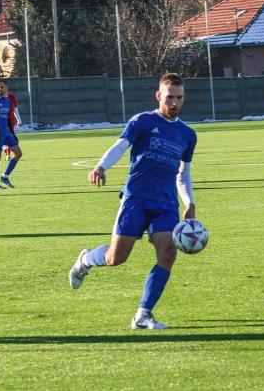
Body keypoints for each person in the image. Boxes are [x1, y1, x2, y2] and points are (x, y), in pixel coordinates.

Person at [68, 73, 198, 330]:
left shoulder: (187, 134)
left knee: (168, 253)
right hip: (136, 199)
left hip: (166, 204)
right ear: (159, 95)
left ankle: (143, 314)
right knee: (116, 258)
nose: (174, 102)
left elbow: (184, 173)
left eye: (179, 98)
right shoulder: (143, 121)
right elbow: (120, 145)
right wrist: (101, 166)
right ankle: (85, 261)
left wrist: (189, 203)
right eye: (170, 96)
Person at [0, 79, 22, 190]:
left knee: (18, 153)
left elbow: (6, 119)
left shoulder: (7, 101)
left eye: (1, 87)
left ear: (6, 88)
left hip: (6, 132)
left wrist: (12, 133)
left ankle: (5, 176)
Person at [3, 90, 23, 161]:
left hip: (11, 122)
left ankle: (7, 151)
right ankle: (8, 152)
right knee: (4, 138)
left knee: (9, 138)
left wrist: (19, 120)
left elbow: (15, 109)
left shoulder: (12, 97)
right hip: (1, 122)